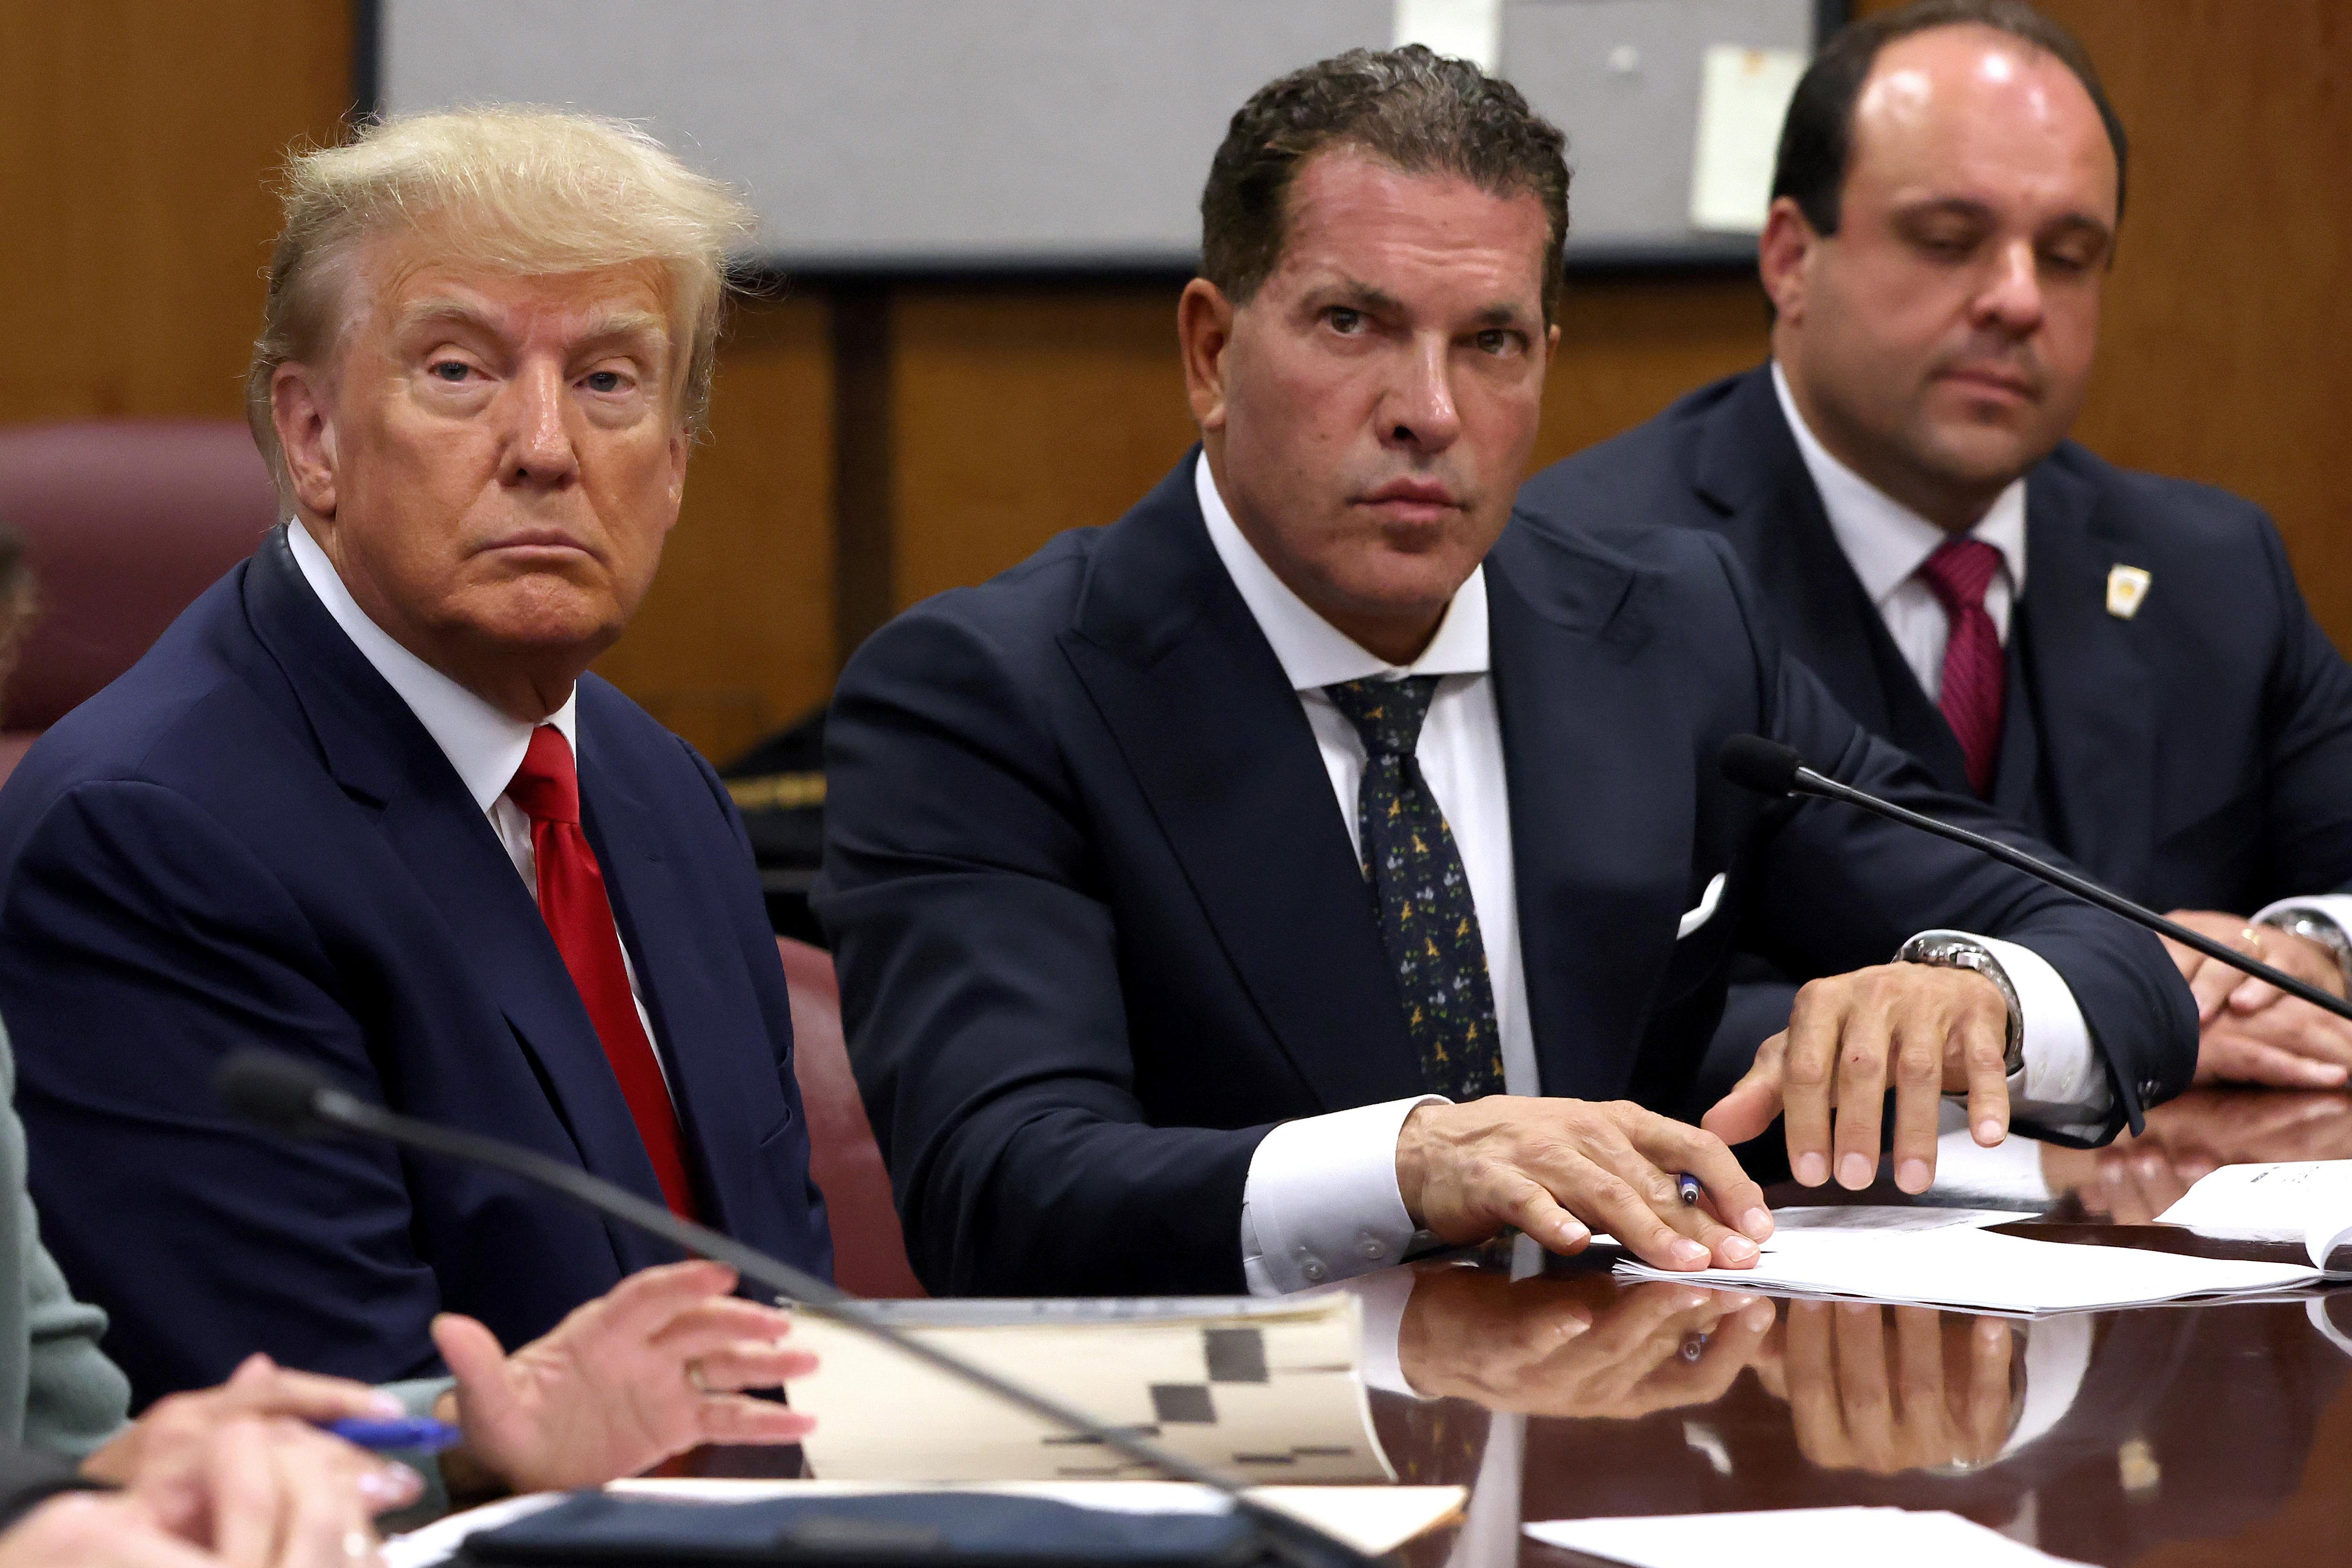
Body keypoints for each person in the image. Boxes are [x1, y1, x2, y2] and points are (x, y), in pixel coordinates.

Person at [815, 45, 2195, 1300]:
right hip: (1257, 1467)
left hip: (1642, 1442)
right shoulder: (992, 695)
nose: (1429, 409)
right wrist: (1407, 1161)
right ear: (1211, 351)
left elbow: (2116, 952)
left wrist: (1977, 993)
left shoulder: (1673, 631)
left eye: (1490, 342)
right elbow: (998, 1188)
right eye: (1353, 324)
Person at [0, 108, 829, 1408]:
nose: (547, 446)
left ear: (672, 466)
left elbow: (784, 1321)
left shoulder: (658, 785)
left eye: (611, 381)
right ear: (313, 434)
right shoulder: (148, 837)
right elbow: (328, 1415)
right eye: (459, 370)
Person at [1517, 0, 2352, 1128]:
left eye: (2067, 256)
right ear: (1787, 258)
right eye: (1948, 240)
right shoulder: (1593, 574)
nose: (2015, 299)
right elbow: (1582, 1010)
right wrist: (2054, 1032)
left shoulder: (2209, 570)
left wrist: (2293, 958)